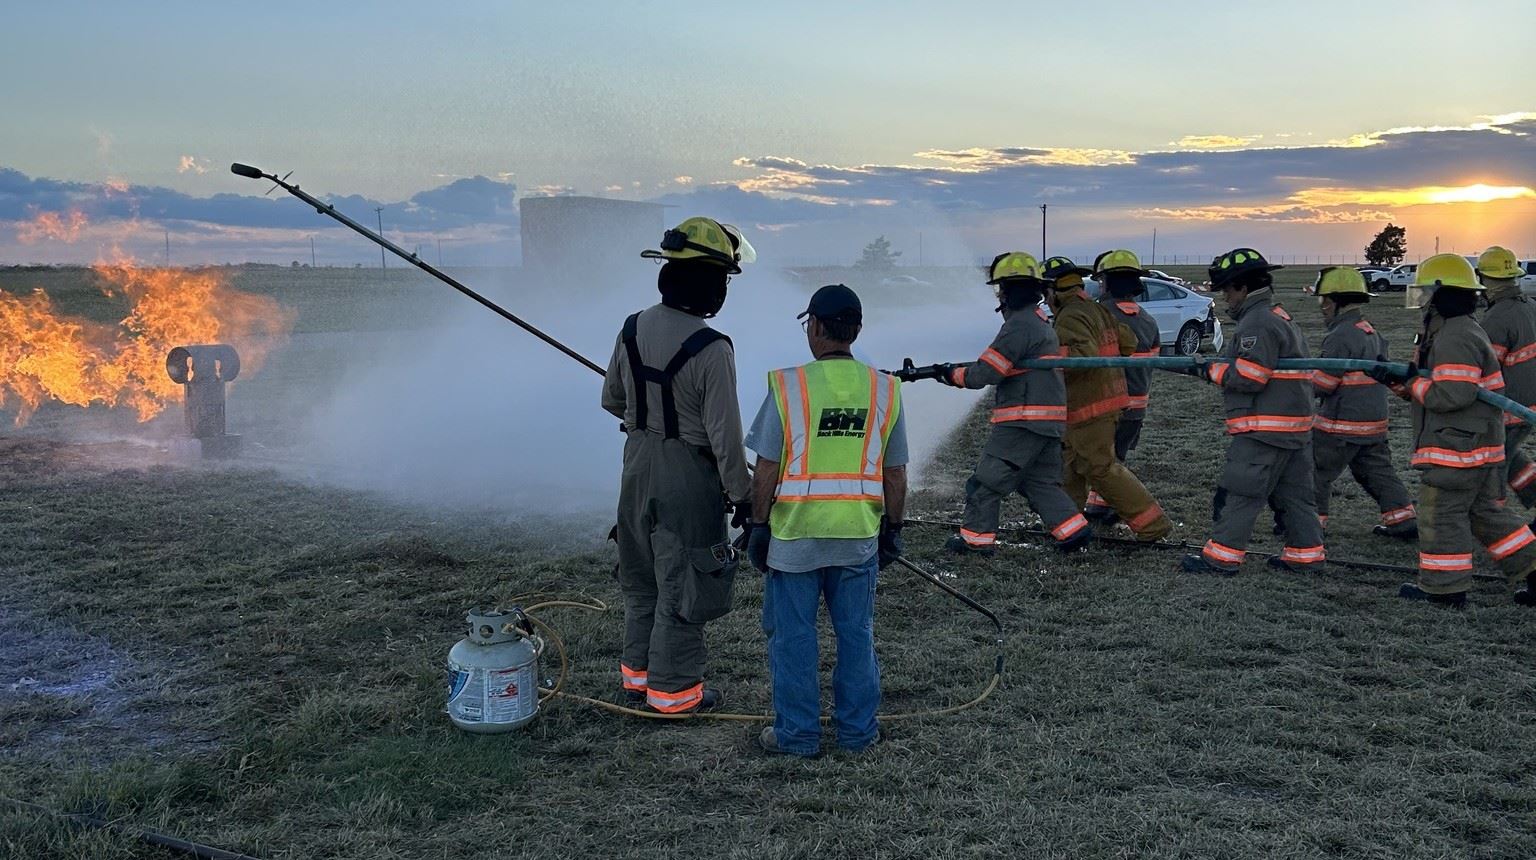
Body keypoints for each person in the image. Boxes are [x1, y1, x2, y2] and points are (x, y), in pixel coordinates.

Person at [743, 284, 907, 756]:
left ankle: (797, 736)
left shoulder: (788, 385)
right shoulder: (885, 388)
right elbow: (894, 473)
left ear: (814, 327)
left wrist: (758, 526)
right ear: (856, 330)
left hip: (794, 538)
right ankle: (858, 733)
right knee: (856, 636)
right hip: (857, 536)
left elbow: (767, 469)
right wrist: (893, 528)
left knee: (793, 638)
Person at [602, 216, 752, 714]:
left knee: (641, 578)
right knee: (684, 586)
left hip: (636, 466)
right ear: (709, 283)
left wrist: (650, 412)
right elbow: (726, 439)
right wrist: (744, 495)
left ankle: (636, 678)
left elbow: (612, 400)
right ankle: (674, 694)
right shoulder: (712, 349)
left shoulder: (631, 328)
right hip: (687, 477)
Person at [905, 252, 1089, 555]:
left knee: (985, 483)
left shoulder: (1019, 326)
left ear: (1010, 292)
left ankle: (975, 541)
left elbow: (988, 371)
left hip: (1023, 422)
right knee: (1038, 483)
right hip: (1047, 422)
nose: (999, 296)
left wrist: (953, 375)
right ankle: (1073, 530)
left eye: (1001, 288)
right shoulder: (1040, 321)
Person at [1385, 254, 1536, 607]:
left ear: (1441, 294)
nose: (1420, 297)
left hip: (1457, 448)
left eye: (1425, 291)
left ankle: (1444, 590)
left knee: (1441, 515)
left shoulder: (1455, 336)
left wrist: (1414, 385)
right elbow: (1445, 385)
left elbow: (1452, 394)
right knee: (1487, 516)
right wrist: (1401, 383)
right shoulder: (1456, 330)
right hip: (1474, 444)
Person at [1181, 248, 1325, 575]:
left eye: (1228, 291)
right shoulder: (1277, 315)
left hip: (1265, 431)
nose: (1225, 299)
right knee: (1296, 497)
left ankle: (1221, 559)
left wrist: (1210, 370)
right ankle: (1306, 555)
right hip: (1294, 429)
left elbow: (1250, 376)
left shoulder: (1257, 322)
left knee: (1242, 492)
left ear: (1243, 288)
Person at [1041, 255, 1172, 542]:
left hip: (1090, 407)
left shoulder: (1072, 315)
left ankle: (1153, 526)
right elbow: (1128, 342)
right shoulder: (1096, 310)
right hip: (1100, 404)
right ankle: (1069, 525)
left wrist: (1047, 357)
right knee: (1070, 467)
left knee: (1101, 469)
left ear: (1051, 290)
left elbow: (1083, 358)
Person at [1308, 266, 1417, 538]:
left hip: (1340, 425)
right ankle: (1402, 521)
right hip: (1373, 424)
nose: (1322, 308)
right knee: (1378, 473)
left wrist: (1300, 378)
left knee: (1313, 470)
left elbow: (1324, 384)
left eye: (1323, 301)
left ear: (1333, 301)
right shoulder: (1371, 331)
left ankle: (1309, 527)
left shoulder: (1340, 335)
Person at [1083, 250, 1162, 522]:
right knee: (1115, 457)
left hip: (1104, 406)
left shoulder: (1097, 316)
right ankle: (1100, 506)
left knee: (1098, 461)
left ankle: (1131, 509)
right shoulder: (1148, 320)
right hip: (1136, 408)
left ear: (1106, 282)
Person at [1475, 245, 1536, 511]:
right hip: (1528, 409)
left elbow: (1485, 370)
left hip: (1508, 411)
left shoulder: (1497, 319)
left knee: (1493, 469)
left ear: (1484, 278)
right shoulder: (1530, 306)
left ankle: (1495, 518)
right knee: (1512, 459)